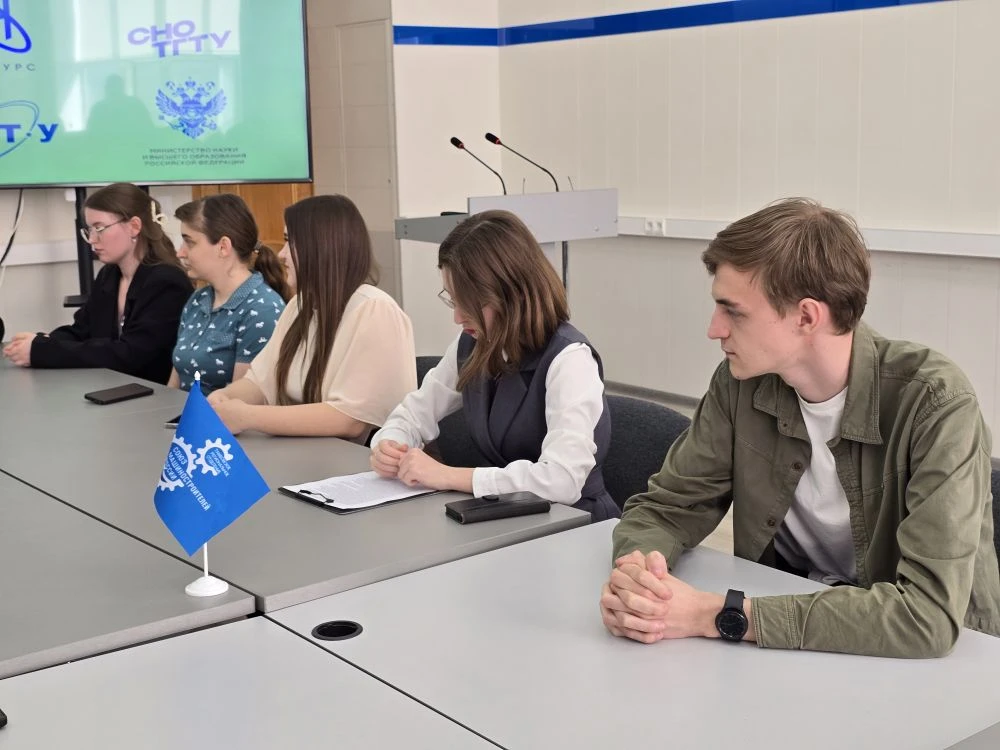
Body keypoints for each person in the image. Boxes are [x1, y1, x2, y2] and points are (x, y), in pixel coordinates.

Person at [600, 198, 1000, 658]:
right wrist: (640, 577)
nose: (714, 329)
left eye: (733, 311)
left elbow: (924, 616)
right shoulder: (740, 385)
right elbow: (667, 509)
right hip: (795, 639)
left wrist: (717, 615)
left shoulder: (936, 404)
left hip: (944, 667)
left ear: (807, 317)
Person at [369, 210, 619, 521]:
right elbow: (413, 414)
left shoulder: (570, 359)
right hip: (508, 518)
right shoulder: (473, 344)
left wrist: (448, 475)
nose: (458, 317)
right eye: (453, 300)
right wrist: (390, 443)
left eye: (470, 303)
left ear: (512, 294)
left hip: (575, 523)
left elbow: (562, 480)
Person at [206, 194, 415, 441]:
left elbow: (349, 420)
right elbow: (260, 382)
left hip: (355, 460)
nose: (281, 254)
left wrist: (246, 416)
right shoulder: (299, 306)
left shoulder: (375, 310)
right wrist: (224, 398)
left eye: (289, 242)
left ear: (321, 247)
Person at [3, 183, 191, 384]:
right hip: (111, 387)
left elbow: (131, 354)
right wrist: (42, 340)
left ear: (134, 227)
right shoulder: (109, 275)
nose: (92, 239)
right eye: (89, 230)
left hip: (153, 394)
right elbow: (81, 331)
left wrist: (42, 350)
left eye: (99, 228)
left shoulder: (167, 282)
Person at [168, 194, 289, 394]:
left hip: (218, 415)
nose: (180, 253)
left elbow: (239, 401)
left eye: (189, 243)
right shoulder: (198, 299)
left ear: (223, 247)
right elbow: (175, 383)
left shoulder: (262, 310)